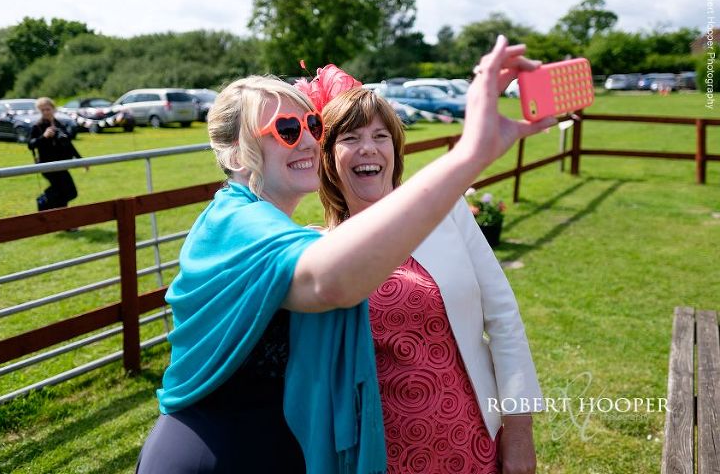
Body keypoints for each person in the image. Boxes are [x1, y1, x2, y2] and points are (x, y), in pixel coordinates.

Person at [135, 36, 556, 473]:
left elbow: (500, 318)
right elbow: (330, 282)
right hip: (216, 454)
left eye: (312, 127)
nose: (305, 142)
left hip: (284, 449)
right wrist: (472, 154)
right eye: (285, 129)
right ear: (236, 154)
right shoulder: (243, 226)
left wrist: (518, 429)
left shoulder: (274, 228)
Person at [317, 84, 544, 474]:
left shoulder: (446, 212)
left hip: (471, 436)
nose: (368, 148)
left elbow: (503, 317)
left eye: (380, 136)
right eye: (350, 138)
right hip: (377, 453)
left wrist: (519, 431)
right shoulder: (321, 252)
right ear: (329, 159)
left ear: (395, 150)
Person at [28, 97, 83, 211]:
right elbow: (31, 145)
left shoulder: (60, 124)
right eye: (42, 110)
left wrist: (81, 161)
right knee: (65, 191)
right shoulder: (37, 126)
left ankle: (57, 216)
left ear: (54, 109)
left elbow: (69, 144)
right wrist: (44, 137)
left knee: (70, 192)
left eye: (48, 109)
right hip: (46, 165)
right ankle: (43, 202)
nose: (45, 112)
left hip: (62, 164)